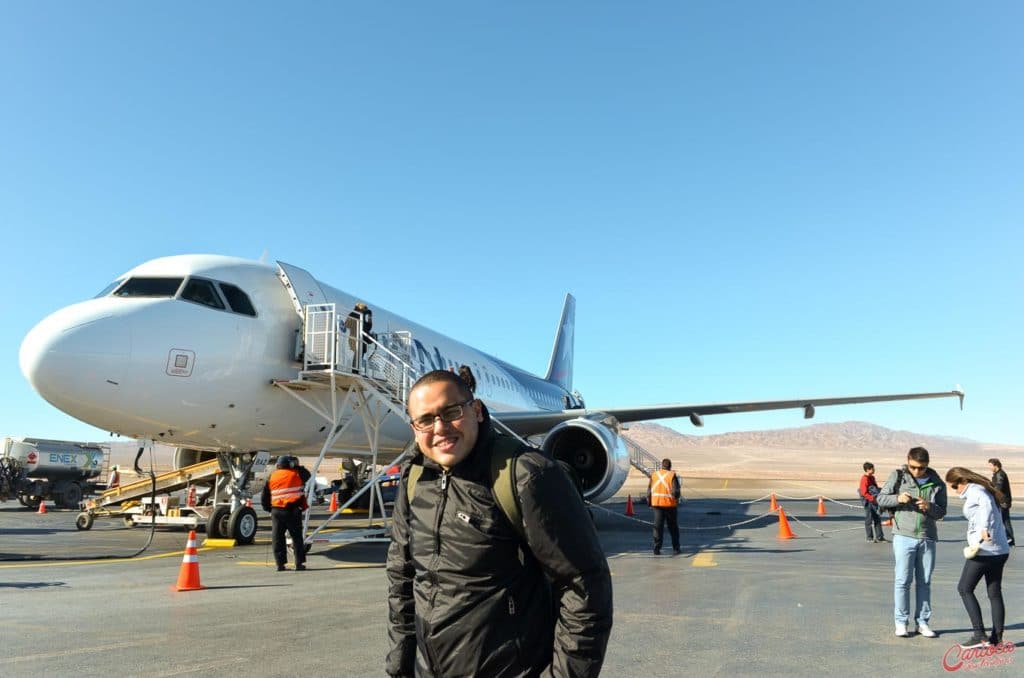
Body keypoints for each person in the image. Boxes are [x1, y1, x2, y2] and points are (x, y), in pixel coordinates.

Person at [386, 370, 612, 677]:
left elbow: (584, 585)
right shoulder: (414, 479)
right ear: (414, 428)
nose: (439, 427)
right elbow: (402, 581)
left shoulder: (527, 475)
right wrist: (400, 668)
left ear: (476, 411)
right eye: (425, 420)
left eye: (451, 412)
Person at [876, 446, 947, 639]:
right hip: (903, 536)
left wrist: (929, 506)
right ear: (908, 461)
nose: (917, 471)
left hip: (927, 537)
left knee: (924, 582)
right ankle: (901, 622)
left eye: (922, 468)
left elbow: (942, 511)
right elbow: (881, 498)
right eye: (913, 467)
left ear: (927, 465)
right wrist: (897, 498)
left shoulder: (937, 482)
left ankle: (922, 622)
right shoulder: (898, 476)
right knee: (902, 581)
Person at [945, 467, 1011, 648]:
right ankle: (997, 639)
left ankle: (979, 635)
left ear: (962, 481)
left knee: (964, 588)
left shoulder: (976, 491)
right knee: (994, 592)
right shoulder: (983, 490)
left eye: (954, 486)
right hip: (1000, 550)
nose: (955, 490)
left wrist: (984, 529)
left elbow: (987, 508)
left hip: (984, 550)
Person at [260, 455, 308, 572]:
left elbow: (265, 495)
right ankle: (298, 563)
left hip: (277, 510)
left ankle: (280, 564)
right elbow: (307, 475)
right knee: (296, 537)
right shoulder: (296, 474)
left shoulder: (272, 476)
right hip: (293, 510)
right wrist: (297, 466)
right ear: (290, 464)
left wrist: (268, 509)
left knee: (277, 538)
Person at [647, 458, 682, 555]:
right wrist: (676, 498)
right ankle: (676, 548)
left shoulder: (654, 475)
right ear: (670, 466)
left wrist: (649, 502)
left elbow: (649, 490)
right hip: (669, 505)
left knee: (658, 527)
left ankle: (656, 549)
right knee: (673, 528)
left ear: (662, 466)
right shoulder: (671, 475)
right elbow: (676, 491)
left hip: (657, 505)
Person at [988, 458, 1014, 546]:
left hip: (1003, 501)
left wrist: (990, 490)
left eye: (990, 465)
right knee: (1003, 520)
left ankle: (1009, 538)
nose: (990, 467)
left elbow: (998, 487)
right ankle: (1009, 539)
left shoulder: (1000, 475)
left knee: (1004, 520)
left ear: (996, 465)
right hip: (1002, 500)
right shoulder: (997, 474)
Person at [859, 462, 885, 543]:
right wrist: (871, 498)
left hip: (874, 501)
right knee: (869, 520)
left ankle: (880, 537)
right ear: (867, 469)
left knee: (877, 518)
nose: (874, 470)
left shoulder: (872, 477)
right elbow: (864, 492)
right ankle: (869, 538)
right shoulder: (864, 479)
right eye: (872, 468)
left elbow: (875, 487)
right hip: (868, 502)